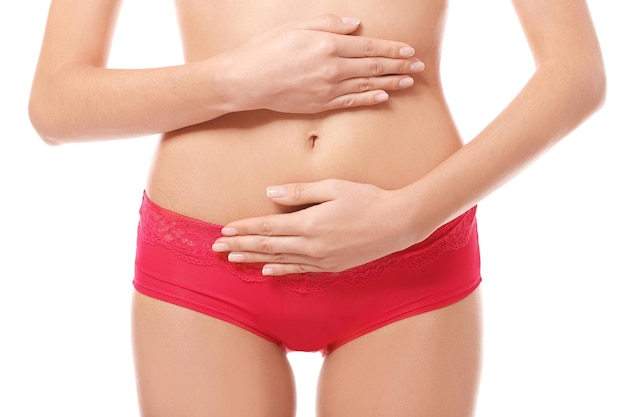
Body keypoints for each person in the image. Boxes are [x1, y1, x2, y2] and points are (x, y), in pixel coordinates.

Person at [29, 0, 605, 416]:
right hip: (210, 266)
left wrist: (409, 217)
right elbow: (56, 104)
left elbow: (576, 73)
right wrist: (237, 81)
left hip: (410, 256)